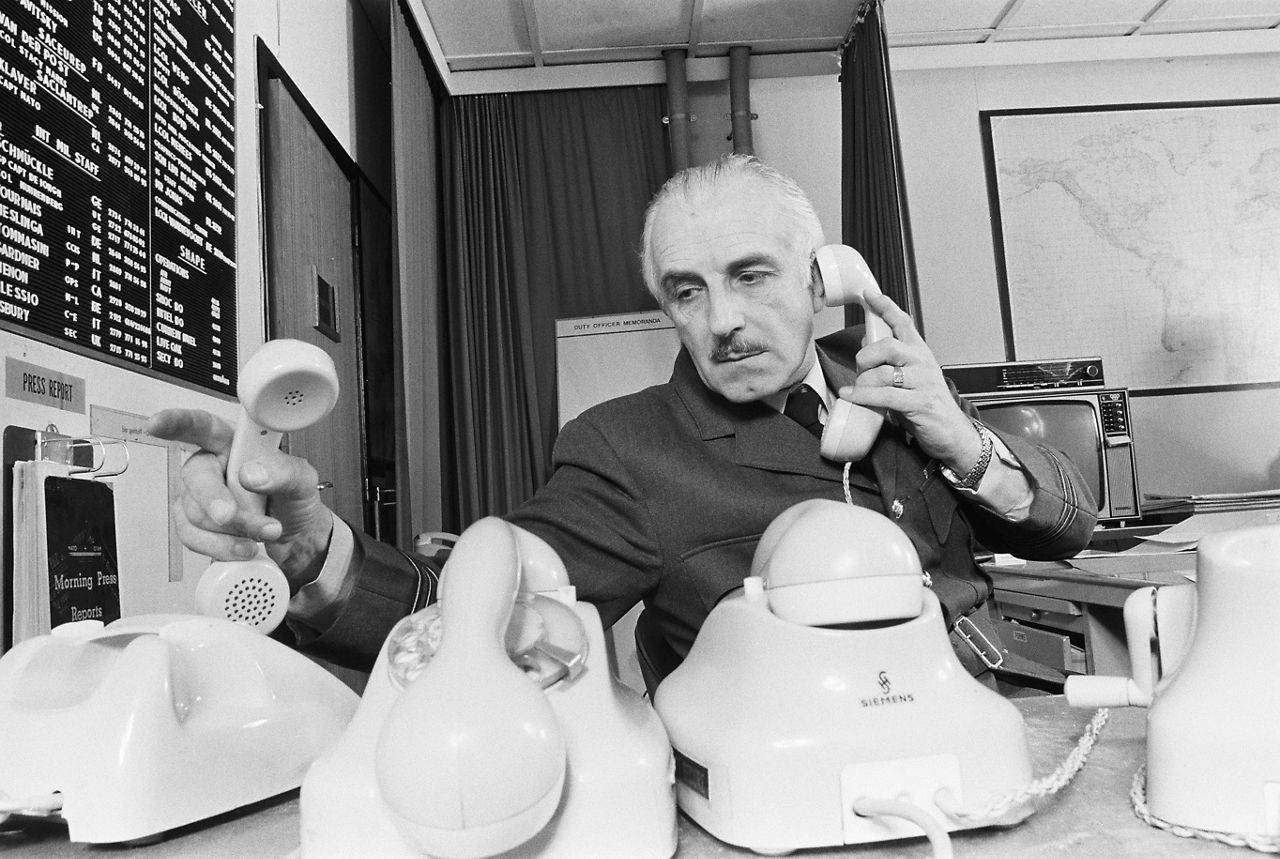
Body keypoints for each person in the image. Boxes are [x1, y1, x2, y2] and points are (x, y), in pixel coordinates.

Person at [148, 154, 1096, 691]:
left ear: (825, 279)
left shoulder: (897, 385)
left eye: (751, 274)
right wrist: (318, 553)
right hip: (794, 766)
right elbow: (474, 604)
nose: (721, 320)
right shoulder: (625, 448)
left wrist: (966, 444)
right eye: (688, 291)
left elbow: (1070, 525)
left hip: (1006, 711)